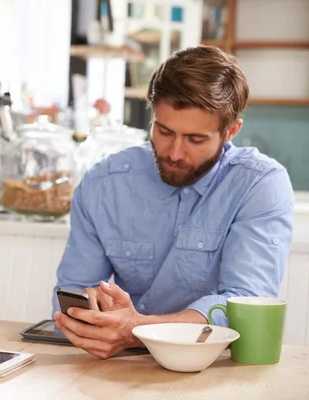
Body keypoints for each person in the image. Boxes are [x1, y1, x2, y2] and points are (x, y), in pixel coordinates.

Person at [52, 45, 294, 359]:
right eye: (164, 131)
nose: (175, 153)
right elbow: (72, 291)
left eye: (196, 139)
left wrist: (138, 330)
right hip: (123, 365)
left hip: (216, 366)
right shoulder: (103, 184)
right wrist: (94, 313)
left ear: (231, 131)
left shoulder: (260, 185)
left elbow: (246, 303)